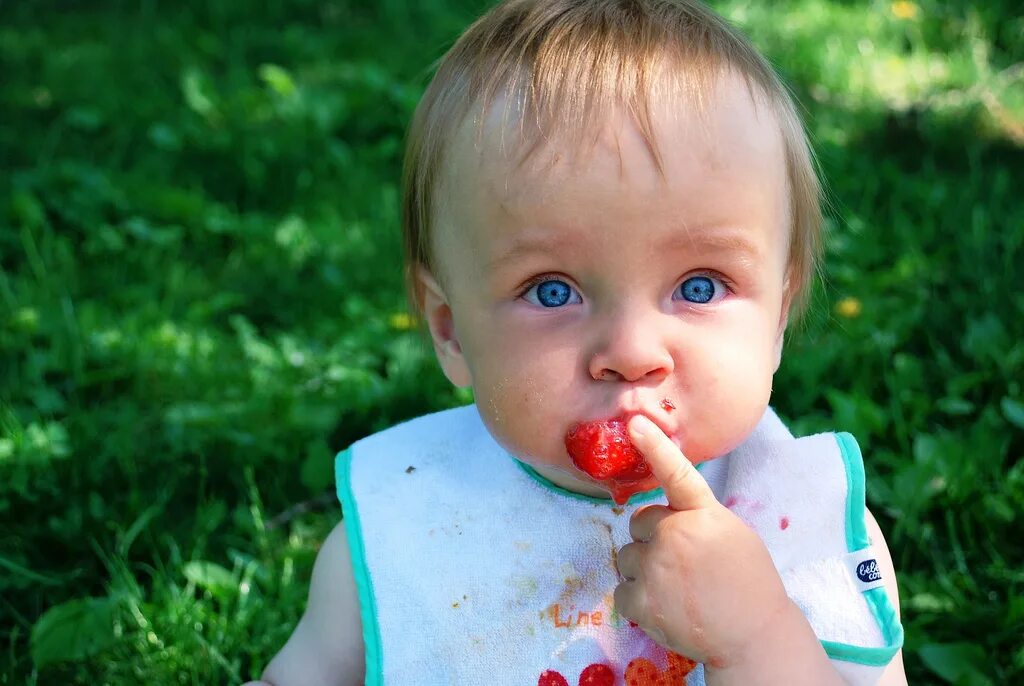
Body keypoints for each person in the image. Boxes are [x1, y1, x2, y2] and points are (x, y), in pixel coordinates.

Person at [245, 0, 907, 684]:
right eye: (552, 291)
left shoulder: (812, 534)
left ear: (776, 319)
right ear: (451, 333)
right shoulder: (398, 536)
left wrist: (762, 638)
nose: (630, 350)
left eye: (701, 286)